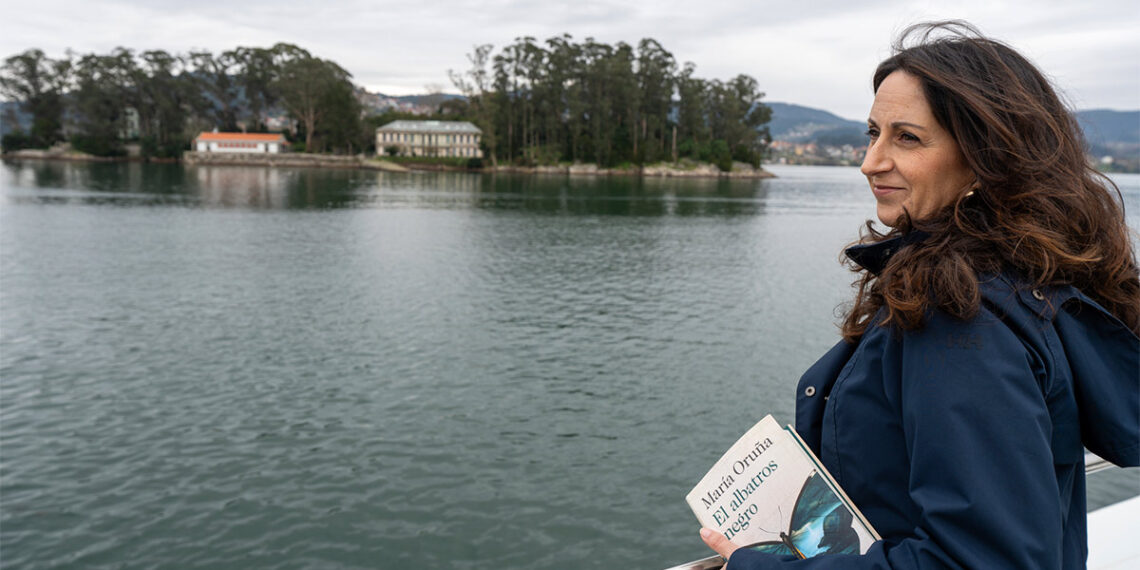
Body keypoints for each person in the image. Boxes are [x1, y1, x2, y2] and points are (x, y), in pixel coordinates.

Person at [699, 21, 1139, 569]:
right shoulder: (1028, 282)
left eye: (906, 137)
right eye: (872, 133)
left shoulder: (961, 315)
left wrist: (760, 565)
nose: (870, 161)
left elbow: (983, 560)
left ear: (986, 157)